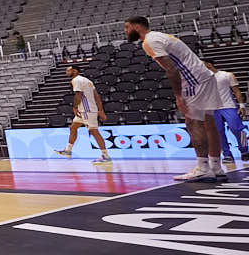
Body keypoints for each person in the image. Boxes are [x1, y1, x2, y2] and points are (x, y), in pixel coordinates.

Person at [124, 16, 225, 181]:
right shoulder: (160, 35)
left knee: (193, 123)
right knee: (209, 122)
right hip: (205, 76)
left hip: (193, 80)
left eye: (127, 27)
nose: (126, 31)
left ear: (137, 26)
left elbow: (171, 70)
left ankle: (203, 168)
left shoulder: (149, 41)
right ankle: (216, 167)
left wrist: (178, 96)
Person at [53, 66, 112, 164]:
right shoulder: (88, 81)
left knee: (94, 132)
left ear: (75, 71)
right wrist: (100, 110)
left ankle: (105, 156)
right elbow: (96, 96)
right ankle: (68, 150)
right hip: (85, 110)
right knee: (73, 127)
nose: (66, 71)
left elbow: (78, 95)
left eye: (68, 70)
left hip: (86, 110)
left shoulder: (76, 80)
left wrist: (75, 107)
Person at [207, 62, 249, 165]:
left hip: (229, 105)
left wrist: (242, 105)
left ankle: (245, 150)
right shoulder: (202, 79)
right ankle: (227, 155)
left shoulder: (227, 75)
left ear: (209, 64)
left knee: (238, 128)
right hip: (212, 108)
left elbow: (237, 91)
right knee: (218, 133)